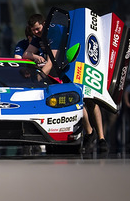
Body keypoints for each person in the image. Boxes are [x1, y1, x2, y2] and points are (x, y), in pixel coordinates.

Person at [27, 16, 107, 154]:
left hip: (77, 65)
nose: (36, 33)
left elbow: (51, 61)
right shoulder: (39, 35)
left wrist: (37, 80)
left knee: (90, 100)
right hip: (64, 70)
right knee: (77, 101)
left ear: (44, 24)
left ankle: (101, 138)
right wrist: (35, 57)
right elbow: (26, 54)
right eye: (33, 31)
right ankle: (89, 133)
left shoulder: (54, 32)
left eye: (38, 29)